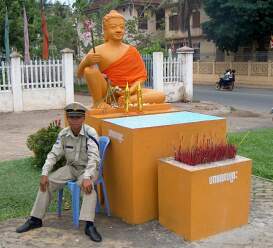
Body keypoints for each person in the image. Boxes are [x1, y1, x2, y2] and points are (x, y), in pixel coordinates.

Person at [16, 102, 102, 243]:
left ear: (83, 118)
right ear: (67, 118)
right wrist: (44, 173)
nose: (74, 121)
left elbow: (94, 157)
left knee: (88, 189)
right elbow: (53, 154)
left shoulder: (90, 133)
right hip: (71, 167)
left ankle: (89, 225)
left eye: (78, 117)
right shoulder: (64, 134)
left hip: (88, 169)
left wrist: (87, 177)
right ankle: (35, 219)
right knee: (47, 183)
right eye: (71, 117)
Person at [77, 10, 165, 108]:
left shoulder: (132, 50)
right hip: (110, 92)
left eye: (122, 27)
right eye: (113, 27)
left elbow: (141, 78)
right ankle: (98, 103)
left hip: (131, 92)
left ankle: (126, 100)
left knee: (161, 96)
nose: (119, 30)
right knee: (89, 70)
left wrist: (129, 91)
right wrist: (86, 62)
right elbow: (79, 75)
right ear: (105, 30)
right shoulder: (97, 50)